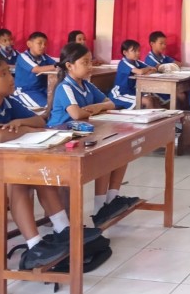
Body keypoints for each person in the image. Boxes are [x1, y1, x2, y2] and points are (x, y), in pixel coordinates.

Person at [0, 52, 100, 269]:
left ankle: (63, 229)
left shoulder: (7, 101)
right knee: (16, 182)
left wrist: (21, 123)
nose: (10, 78)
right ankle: (35, 246)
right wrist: (27, 129)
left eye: (8, 72)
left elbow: (40, 121)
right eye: (2, 74)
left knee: (36, 173)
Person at [48, 43, 140, 227]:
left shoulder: (87, 85)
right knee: (105, 154)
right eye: (85, 62)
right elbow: (76, 114)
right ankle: (99, 207)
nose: (90, 66)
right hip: (61, 138)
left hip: (82, 133)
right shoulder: (65, 87)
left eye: (90, 61)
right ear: (69, 65)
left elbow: (110, 103)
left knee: (121, 149)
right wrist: (94, 109)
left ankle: (109, 201)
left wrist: (95, 107)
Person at [13, 31, 57, 109]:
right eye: (39, 43)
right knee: (47, 108)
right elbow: (37, 69)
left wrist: (60, 65)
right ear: (29, 44)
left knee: (58, 104)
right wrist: (58, 66)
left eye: (45, 44)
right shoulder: (23, 56)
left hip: (43, 89)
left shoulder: (45, 57)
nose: (43, 46)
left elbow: (56, 64)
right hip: (26, 91)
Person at [110, 39, 158, 109]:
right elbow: (140, 72)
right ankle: (149, 116)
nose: (138, 53)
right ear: (125, 52)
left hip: (132, 91)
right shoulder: (124, 63)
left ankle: (159, 115)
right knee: (148, 101)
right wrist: (146, 70)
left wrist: (146, 71)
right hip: (120, 93)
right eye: (134, 51)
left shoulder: (136, 62)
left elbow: (153, 69)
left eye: (138, 51)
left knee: (154, 99)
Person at [144, 31, 188, 107]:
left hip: (167, 83)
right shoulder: (150, 58)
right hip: (156, 87)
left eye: (165, 44)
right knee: (179, 96)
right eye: (161, 43)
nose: (164, 46)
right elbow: (160, 67)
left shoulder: (163, 57)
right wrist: (170, 66)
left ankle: (182, 112)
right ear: (152, 44)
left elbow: (179, 64)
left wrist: (170, 65)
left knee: (183, 94)